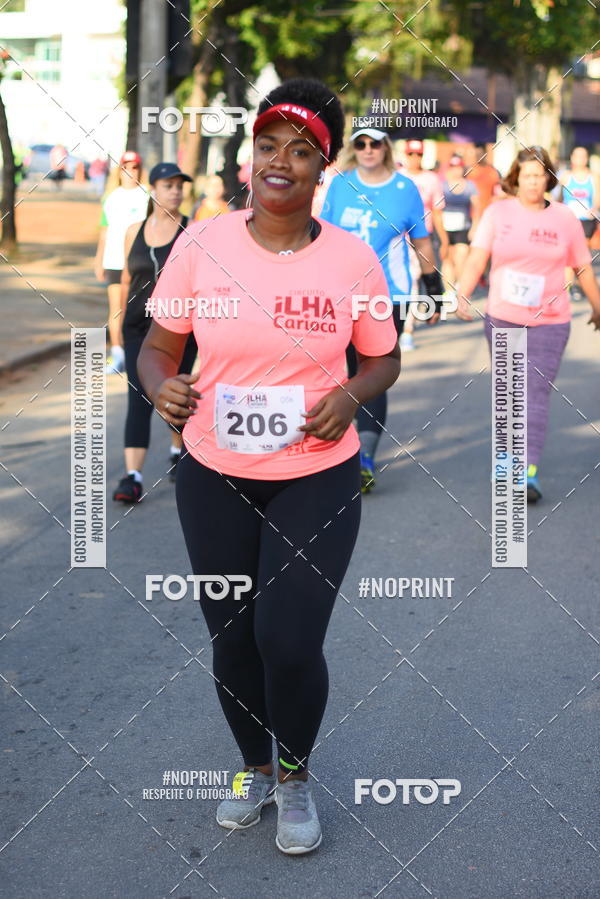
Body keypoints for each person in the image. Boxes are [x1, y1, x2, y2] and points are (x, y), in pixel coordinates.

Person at [138, 77, 400, 855]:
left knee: (288, 638)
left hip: (317, 472)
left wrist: (350, 395)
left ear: (323, 168)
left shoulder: (351, 259)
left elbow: (383, 359)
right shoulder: (202, 244)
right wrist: (160, 386)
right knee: (232, 636)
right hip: (214, 470)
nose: (280, 161)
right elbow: (158, 347)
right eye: (268, 146)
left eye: (302, 150)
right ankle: (254, 764)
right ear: (250, 157)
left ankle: (294, 775)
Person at [456, 146, 600, 502]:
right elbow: (477, 258)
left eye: (539, 175)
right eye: (527, 176)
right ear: (516, 178)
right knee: (509, 392)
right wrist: (461, 294)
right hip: (504, 315)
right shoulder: (498, 213)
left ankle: (527, 471)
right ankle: (506, 462)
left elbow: (582, 266)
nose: (533, 182)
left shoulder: (565, 218)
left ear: (549, 179)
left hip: (551, 320)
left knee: (534, 393)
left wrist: (597, 306)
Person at [319, 127, 443, 491]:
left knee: (372, 373)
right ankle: (336, 452)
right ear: (354, 149)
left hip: (388, 296)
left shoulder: (406, 189)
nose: (368, 149)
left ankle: (365, 459)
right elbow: (321, 235)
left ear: (385, 148)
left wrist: (433, 290)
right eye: (361, 143)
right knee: (341, 372)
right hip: (340, 294)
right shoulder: (340, 185)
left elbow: (423, 243)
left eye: (375, 143)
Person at [112, 162, 196, 504]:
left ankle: (178, 450)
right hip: (137, 326)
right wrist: (116, 322)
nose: (175, 191)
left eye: (179, 186)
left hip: (178, 328)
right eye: (168, 185)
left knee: (177, 393)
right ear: (153, 190)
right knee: (139, 396)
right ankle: (132, 477)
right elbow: (125, 280)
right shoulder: (133, 230)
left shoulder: (192, 230)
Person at [94, 151, 148, 374]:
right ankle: (117, 354)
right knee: (116, 308)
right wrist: (99, 259)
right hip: (114, 260)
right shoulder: (111, 197)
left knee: (136, 309)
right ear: (120, 171)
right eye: (126, 167)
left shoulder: (147, 196)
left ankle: (136, 353)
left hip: (139, 262)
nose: (130, 171)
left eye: (135, 167)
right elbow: (104, 231)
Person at [400, 138, 448, 351]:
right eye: (411, 154)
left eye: (418, 154)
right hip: (399, 238)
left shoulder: (431, 179)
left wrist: (444, 240)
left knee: (416, 281)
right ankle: (401, 327)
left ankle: (408, 329)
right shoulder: (397, 176)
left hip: (422, 238)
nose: (414, 158)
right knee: (404, 282)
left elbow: (437, 211)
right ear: (405, 155)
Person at [441, 154, 480, 301]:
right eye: (453, 167)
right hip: (445, 227)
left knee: (462, 255)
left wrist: (475, 227)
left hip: (463, 227)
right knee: (447, 258)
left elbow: (476, 207)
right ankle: (449, 291)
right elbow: (437, 207)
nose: (456, 170)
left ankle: (459, 285)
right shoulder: (443, 186)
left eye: (458, 167)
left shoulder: (470, 186)